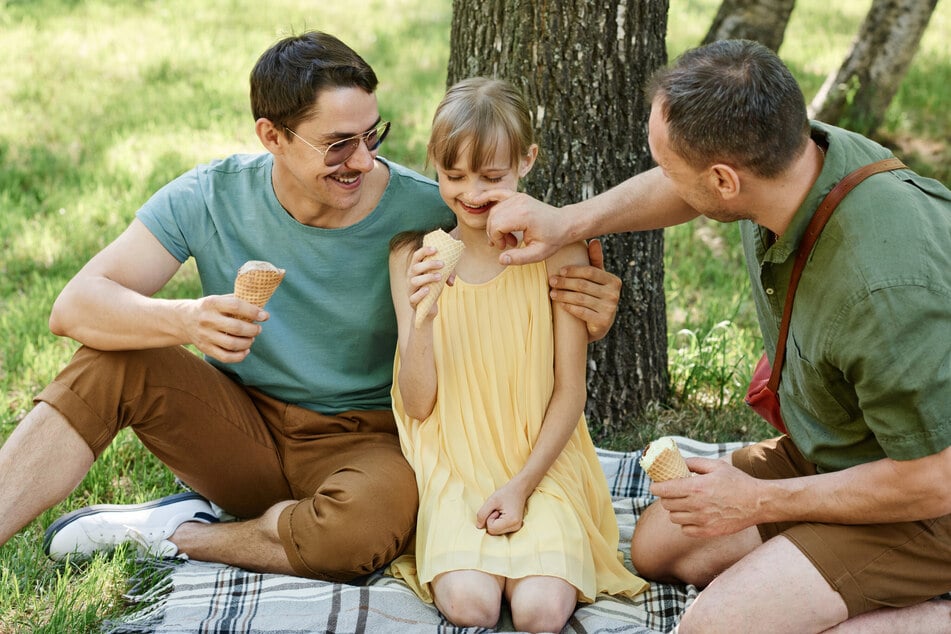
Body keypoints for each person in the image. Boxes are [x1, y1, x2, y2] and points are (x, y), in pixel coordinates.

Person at [0, 32, 622, 582]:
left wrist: (586, 303)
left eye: (372, 135)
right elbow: (74, 306)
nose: (362, 159)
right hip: (241, 427)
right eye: (337, 144)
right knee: (110, 362)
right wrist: (187, 320)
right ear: (272, 135)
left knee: (372, 527)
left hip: (366, 443)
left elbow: (519, 259)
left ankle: (182, 536)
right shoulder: (210, 196)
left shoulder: (431, 209)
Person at [478, 39, 951, 633]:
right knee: (662, 548)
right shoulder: (795, 153)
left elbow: (934, 479)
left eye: (669, 166)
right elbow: (685, 188)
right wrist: (567, 222)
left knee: (714, 627)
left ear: (724, 181)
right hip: (843, 455)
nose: (666, 180)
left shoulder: (883, 291)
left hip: (926, 501)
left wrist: (760, 502)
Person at [384, 77, 647, 633]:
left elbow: (570, 391)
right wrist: (423, 319)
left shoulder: (560, 252)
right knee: (469, 605)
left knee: (541, 611)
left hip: (542, 462)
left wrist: (522, 487)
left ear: (527, 161)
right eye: (454, 176)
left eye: (492, 176)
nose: (472, 193)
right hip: (455, 462)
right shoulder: (415, 256)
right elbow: (417, 405)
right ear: (433, 162)